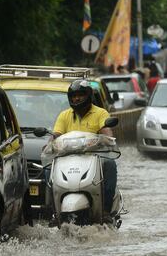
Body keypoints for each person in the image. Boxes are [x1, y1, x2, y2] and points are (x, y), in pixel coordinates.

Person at [50, 79, 117, 222]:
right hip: (67, 159)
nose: (76, 98)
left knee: (110, 164)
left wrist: (107, 139)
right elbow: (56, 135)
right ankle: (54, 211)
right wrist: (50, 144)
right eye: (73, 96)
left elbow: (107, 132)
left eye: (80, 95)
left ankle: (105, 210)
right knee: (47, 169)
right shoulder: (64, 115)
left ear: (88, 96)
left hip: (93, 158)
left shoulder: (100, 113)